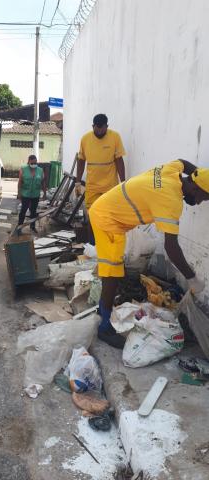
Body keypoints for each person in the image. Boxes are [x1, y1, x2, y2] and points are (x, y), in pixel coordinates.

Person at [89, 159, 209, 347]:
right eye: (203, 197)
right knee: (112, 273)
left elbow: (184, 163)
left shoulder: (172, 172)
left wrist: (200, 173)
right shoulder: (170, 200)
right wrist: (192, 278)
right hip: (107, 219)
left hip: (107, 209)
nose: (200, 202)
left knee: (114, 272)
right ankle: (104, 327)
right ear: (195, 189)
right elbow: (171, 247)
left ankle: (102, 312)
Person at [75, 113, 126, 210]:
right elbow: (81, 161)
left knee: (109, 213)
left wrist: (123, 182)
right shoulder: (85, 139)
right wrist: (77, 182)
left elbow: (119, 160)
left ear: (107, 126)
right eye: (96, 129)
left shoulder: (115, 137)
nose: (99, 132)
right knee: (92, 213)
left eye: (102, 129)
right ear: (92, 126)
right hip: (92, 186)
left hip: (110, 186)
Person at [17, 154, 46, 232]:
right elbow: (20, 182)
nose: (34, 165)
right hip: (25, 194)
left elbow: (43, 182)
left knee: (33, 211)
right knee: (23, 210)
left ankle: (32, 227)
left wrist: (45, 193)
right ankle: (19, 227)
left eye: (35, 163)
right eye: (32, 163)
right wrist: (19, 193)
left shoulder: (40, 170)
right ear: (28, 162)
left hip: (35, 194)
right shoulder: (23, 169)